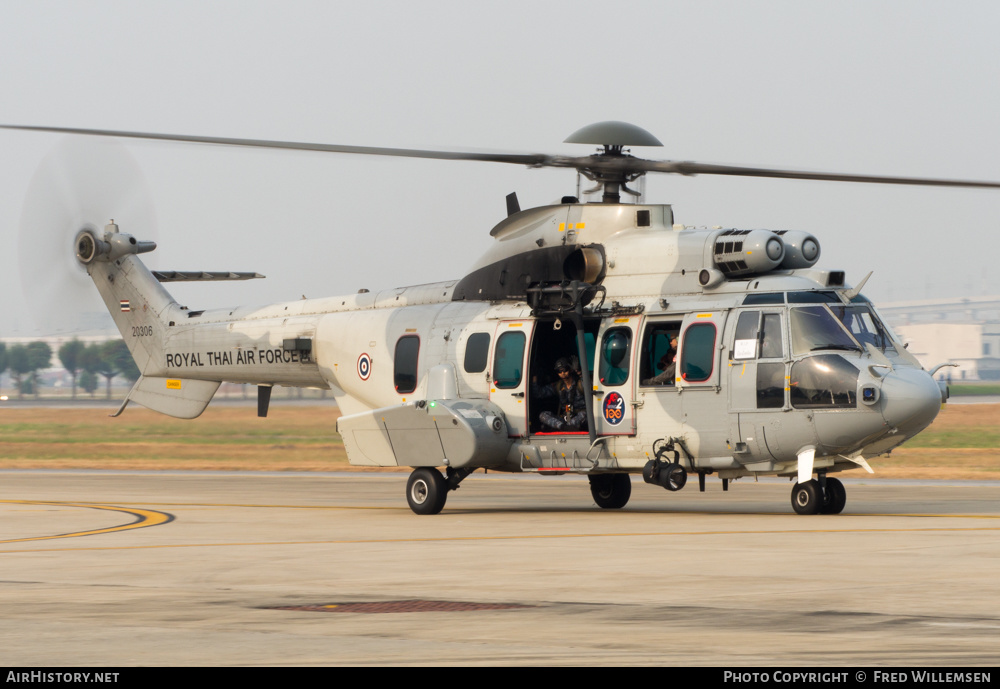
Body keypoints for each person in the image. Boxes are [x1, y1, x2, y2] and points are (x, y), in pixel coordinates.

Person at [531, 357, 588, 432]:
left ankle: (567, 427)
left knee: (584, 414)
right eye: (559, 371)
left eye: (564, 370)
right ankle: (564, 428)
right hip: (566, 418)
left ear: (570, 369)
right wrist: (534, 377)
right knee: (543, 415)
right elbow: (539, 393)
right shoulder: (558, 386)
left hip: (581, 417)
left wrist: (581, 374)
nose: (562, 373)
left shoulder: (580, 384)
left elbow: (590, 385)